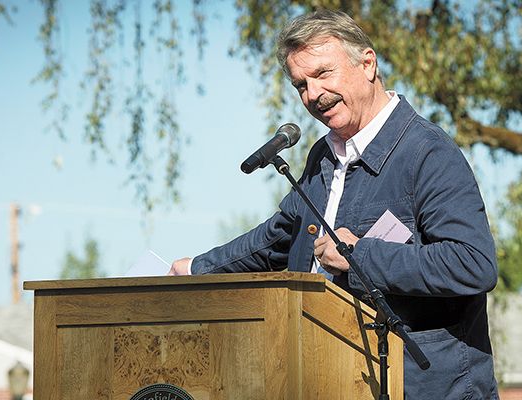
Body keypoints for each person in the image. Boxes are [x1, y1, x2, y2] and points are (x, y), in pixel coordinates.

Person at [169, 9, 499, 399]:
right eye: (300, 85)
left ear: (367, 63)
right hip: (333, 380)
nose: (313, 95)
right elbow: (276, 239)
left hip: (429, 388)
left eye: (323, 74)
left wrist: (360, 255)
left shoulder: (427, 152)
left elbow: (472, 264)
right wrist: (194, 269)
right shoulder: (323, 157)